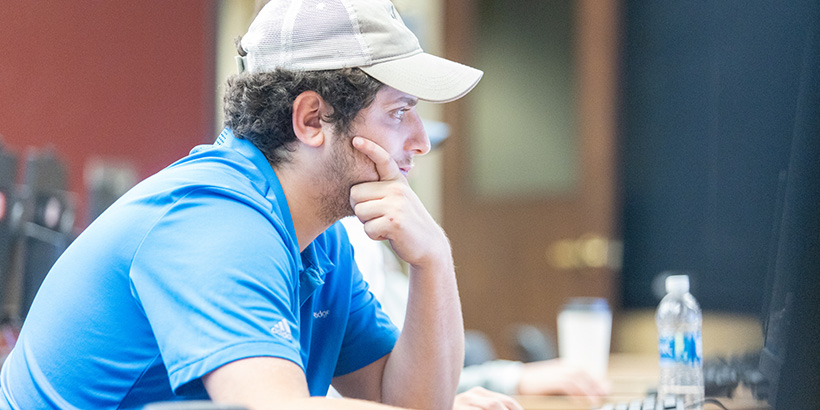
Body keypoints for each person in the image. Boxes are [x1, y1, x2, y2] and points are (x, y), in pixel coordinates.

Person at [0, 1, 524, 409]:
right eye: (399, 111)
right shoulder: (216, 220)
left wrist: (433, 259)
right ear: (312, 119)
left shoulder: (320, 241)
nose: (420, 139)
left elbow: (406, 398)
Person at [340, 213, 611, 402]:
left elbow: (395, 388)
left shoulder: (347, 249)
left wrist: (437, 254)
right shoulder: (349, 240)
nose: (419, 150)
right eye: (396, 126)